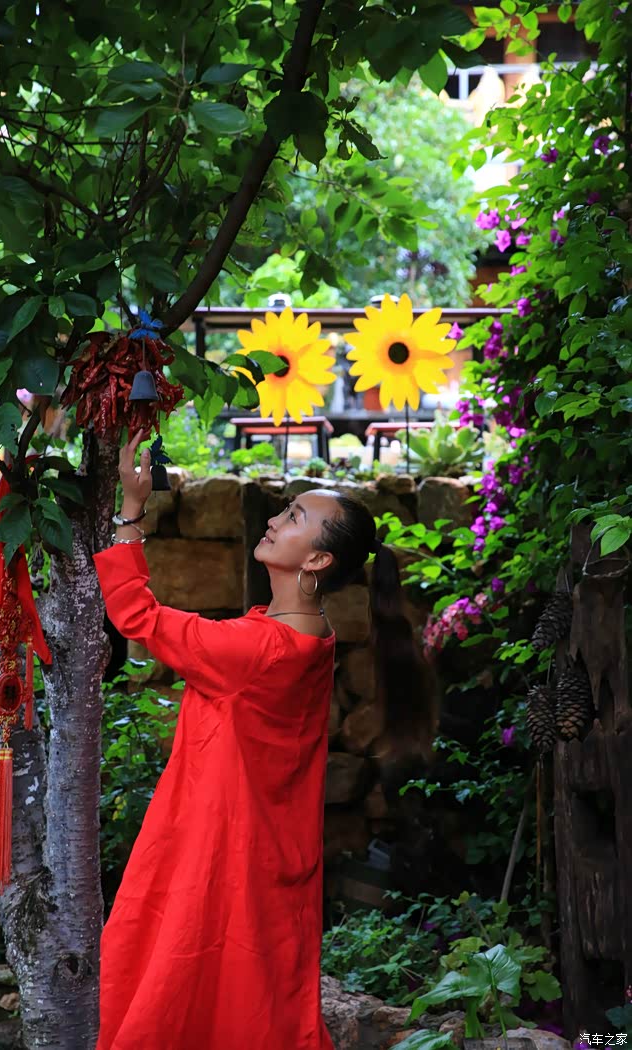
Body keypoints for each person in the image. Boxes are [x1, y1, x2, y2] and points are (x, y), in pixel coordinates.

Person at [93, 429, 436, 1050]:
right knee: (244, 994)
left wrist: (131, 511)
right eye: (285, 510)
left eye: (295, 517)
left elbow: (136, 616)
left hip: (220, 848)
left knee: (184, 981)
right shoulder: (311, 634)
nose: (276, 520)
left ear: (318, 561)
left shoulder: (258, 650)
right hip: (261, 845)